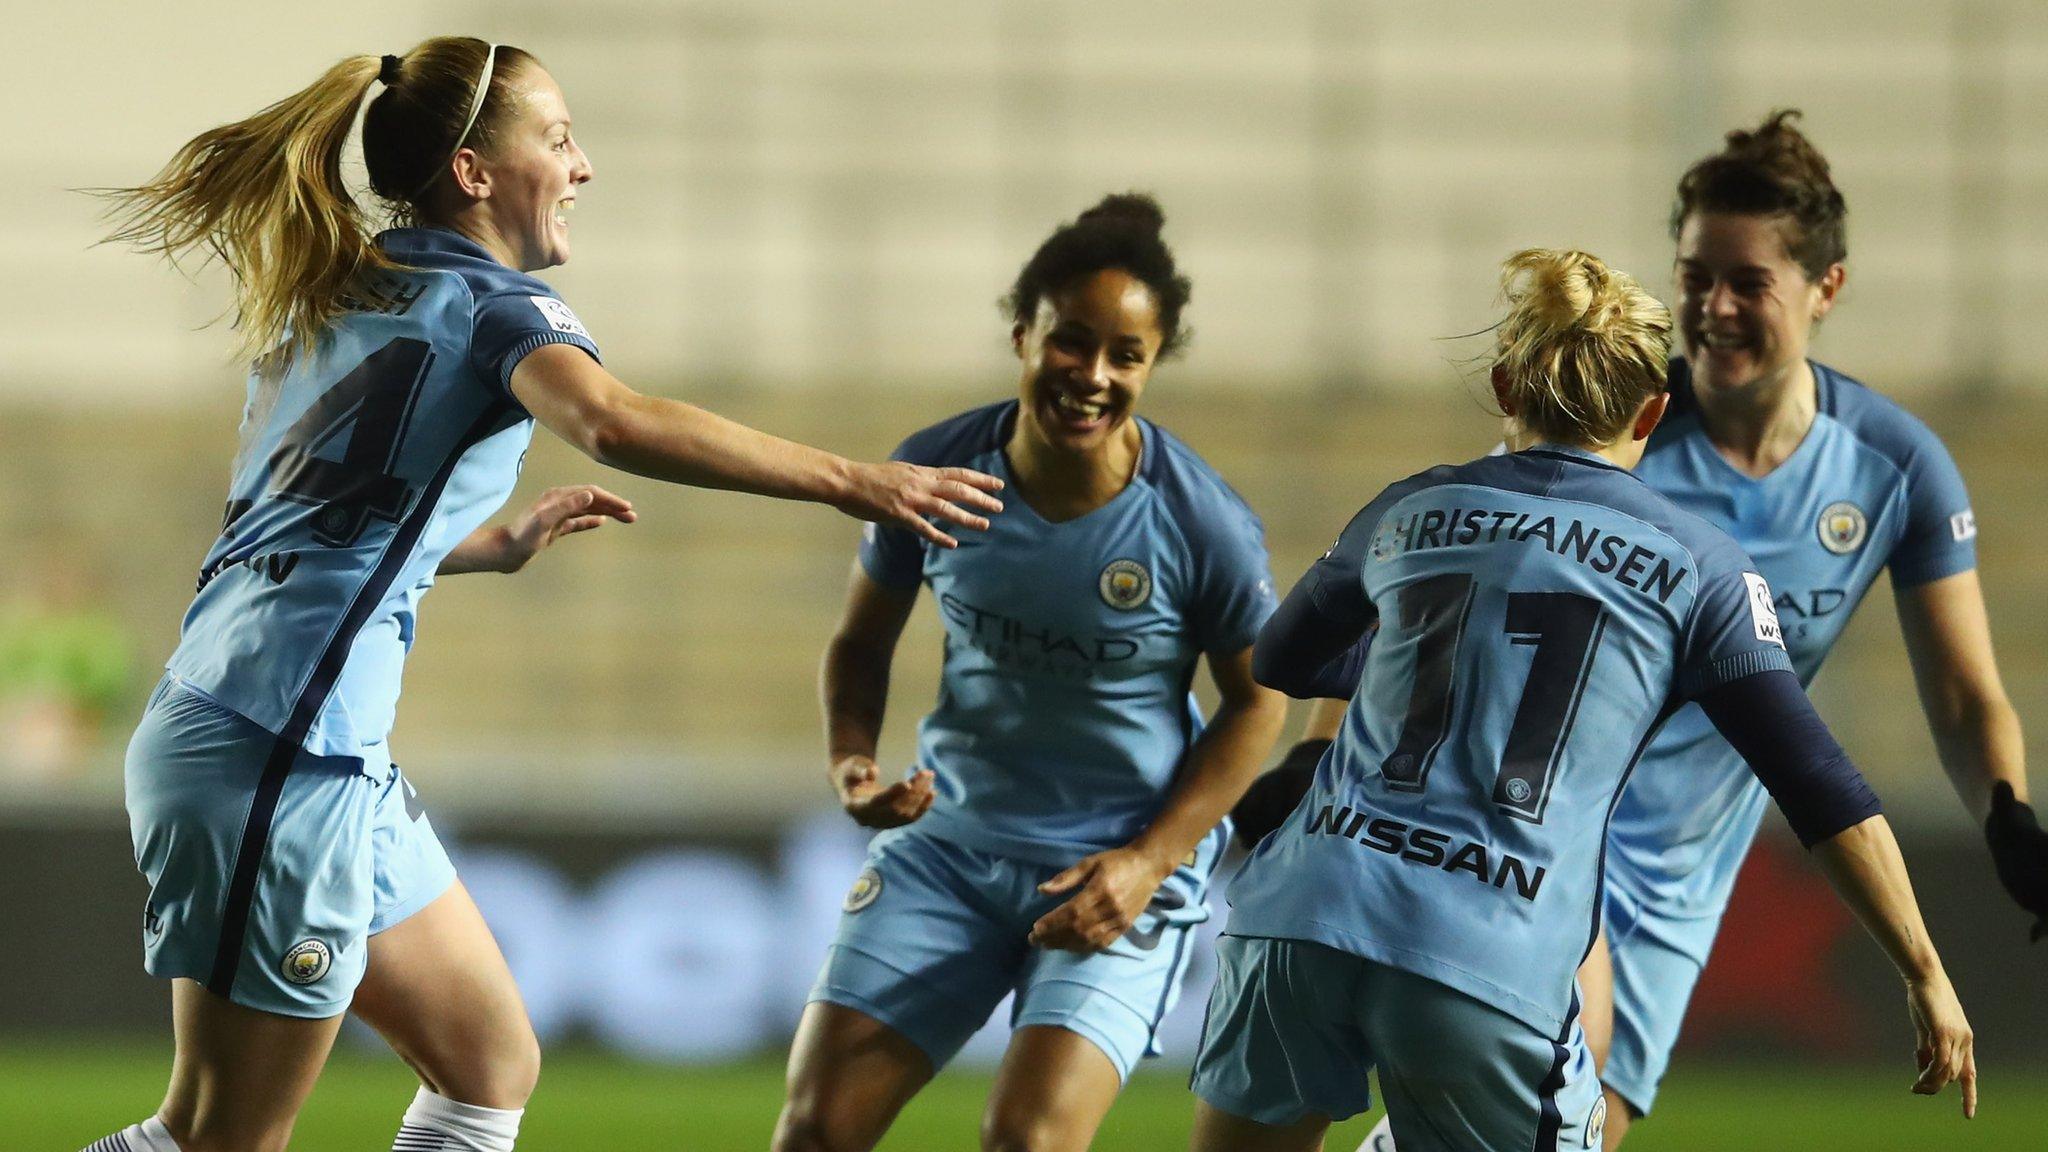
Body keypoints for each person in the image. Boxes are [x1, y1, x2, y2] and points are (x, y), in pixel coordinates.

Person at [85, 36, 1002, 1152]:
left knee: (488, 1065)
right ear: (472, 171)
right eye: (558, 139)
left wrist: (482, 542)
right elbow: (613, 421)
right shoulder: (490, 307)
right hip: (278, 755)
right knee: (215, 1139)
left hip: (296, 749)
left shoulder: (339, 293)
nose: (583, 166)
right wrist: (856, 480)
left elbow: (312, 531)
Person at [1225, 111, 2047, 1152]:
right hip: (1517, 833)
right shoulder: (1602, 423)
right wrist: (1316, 760)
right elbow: (1435, 621)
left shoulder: (1891, 466)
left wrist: (2005, 815)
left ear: (1822, 289)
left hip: (1660, 872)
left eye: (1746, 281)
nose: (1712, 307)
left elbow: (1965, 696)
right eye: (1694, 275)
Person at [771, 194, 1287, 1152]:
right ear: (1023, 332)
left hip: (1107, 867)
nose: (1092, 376)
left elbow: (1259, 703)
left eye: (1124, 356)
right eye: (1070, 342)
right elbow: (859, 642)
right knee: (812, 1132)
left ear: (1150, 365)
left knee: (1028, 1143)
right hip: (951, 852)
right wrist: (852, 763)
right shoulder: (936, 472)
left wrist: (1149, 861)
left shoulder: (1199, 521)